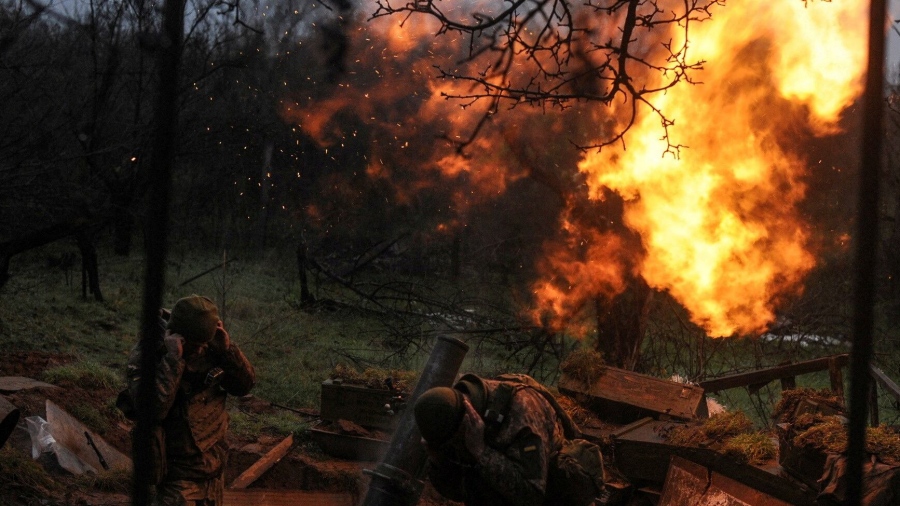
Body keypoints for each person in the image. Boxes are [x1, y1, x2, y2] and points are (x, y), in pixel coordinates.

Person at [125, 295, 256, 506]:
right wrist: (173, 360)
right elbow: (153, 411)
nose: (199, 351)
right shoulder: (149, 355)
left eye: (203, 344)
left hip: (213, 467)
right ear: (176, 335)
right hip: (177, 474)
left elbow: (244, 386)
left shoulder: (213, 343)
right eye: (193, 345)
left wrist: (228, 351)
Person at [413, 373, 602, 506]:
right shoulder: (453, 416)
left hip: (553, 487)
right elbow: (459, 491)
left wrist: (481, 452)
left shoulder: (522, 413)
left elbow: (532, 495)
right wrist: (438, 463)